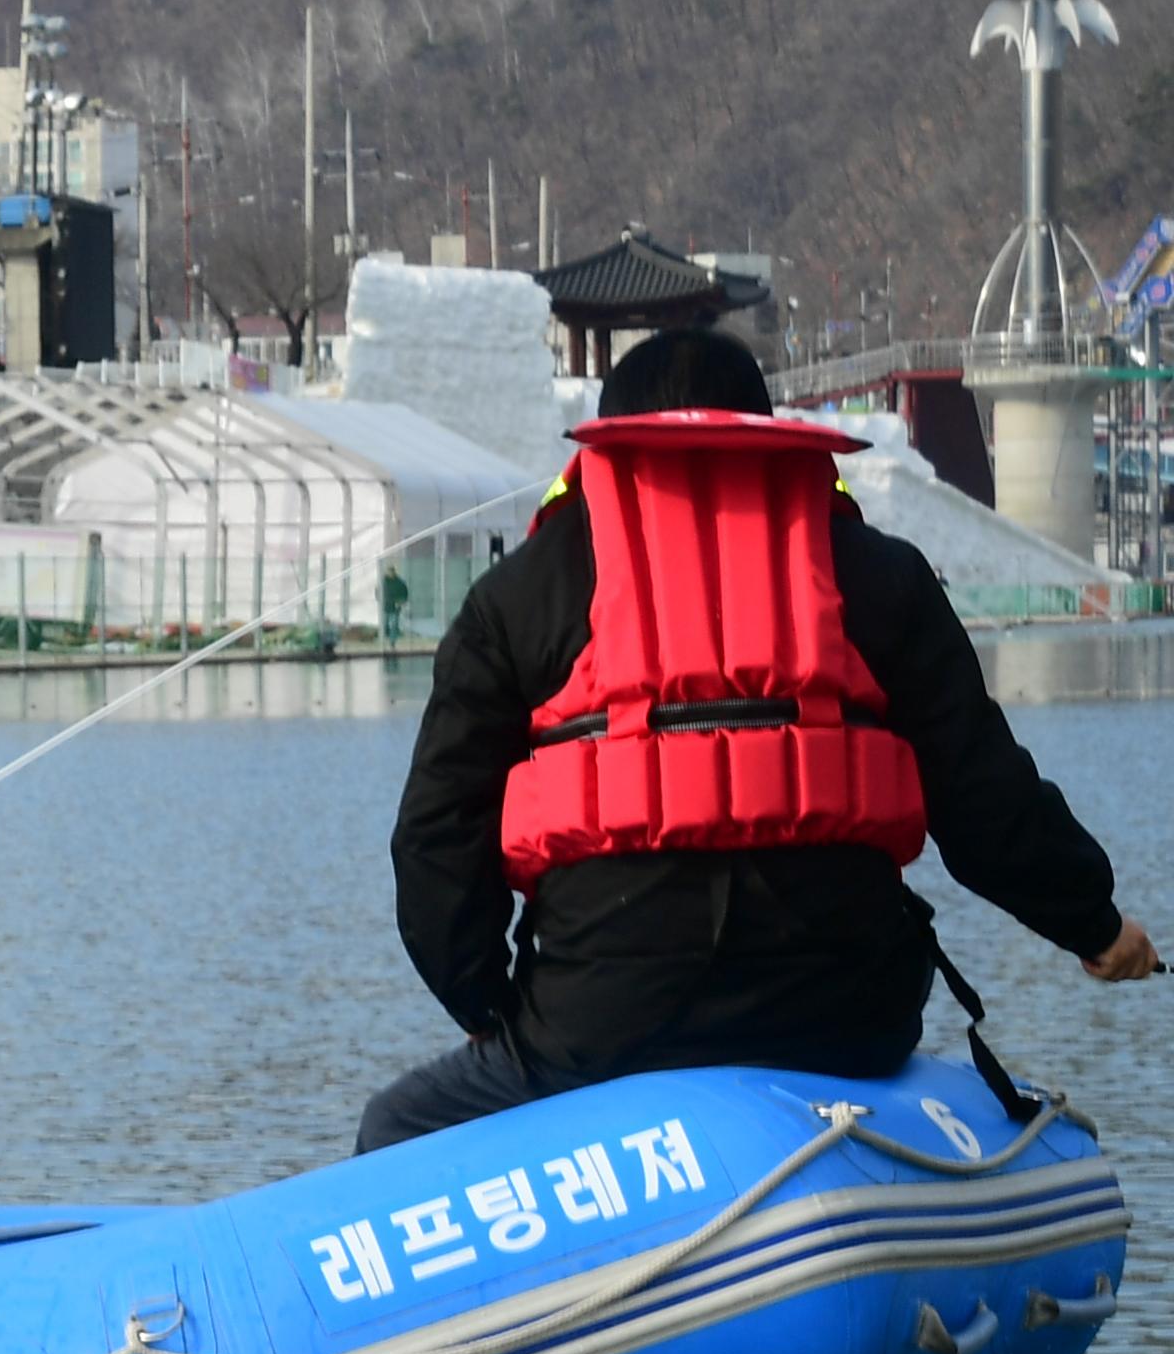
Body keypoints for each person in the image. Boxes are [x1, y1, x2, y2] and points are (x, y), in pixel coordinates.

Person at [362, 326, 1155, 1151]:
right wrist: (1094, 925)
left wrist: (488, 1007)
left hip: (597, 1028)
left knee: (394, 1127)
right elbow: (987, 803)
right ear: (765, 431)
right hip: (845, 1020)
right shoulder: (882, 576)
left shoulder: (515, 597)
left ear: (605, 448)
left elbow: (434, 844)